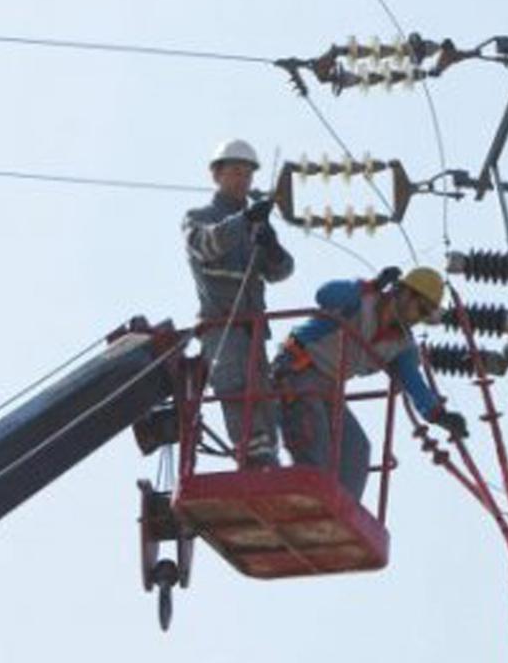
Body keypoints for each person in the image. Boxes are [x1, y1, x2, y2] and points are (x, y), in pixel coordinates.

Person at [273, 266, 467, 500]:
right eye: (421, 309)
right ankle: (309, 501)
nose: (419, 319)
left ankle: (338, 513)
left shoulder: (401, 346)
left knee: (356, 450)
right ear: (404, 293)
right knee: (315, 440)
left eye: (426, 315)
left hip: (328, 388)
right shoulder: (362, 300)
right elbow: (324, 295)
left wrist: (438, 415)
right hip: (296, 370)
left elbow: (414, 384)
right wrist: (370, 285)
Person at [183, 139, 293, 466]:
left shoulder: (257, 222)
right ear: (216, 175)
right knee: (237, 391)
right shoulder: (199, 217)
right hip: (221, 326)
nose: (242, 179)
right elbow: (205, 245)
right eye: (235, 172)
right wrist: (243, 223)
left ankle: (266, 462)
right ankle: (253, 460)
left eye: (247, 173)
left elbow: (282, 270)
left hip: (253, 329)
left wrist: (270, 245)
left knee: (262, 399)